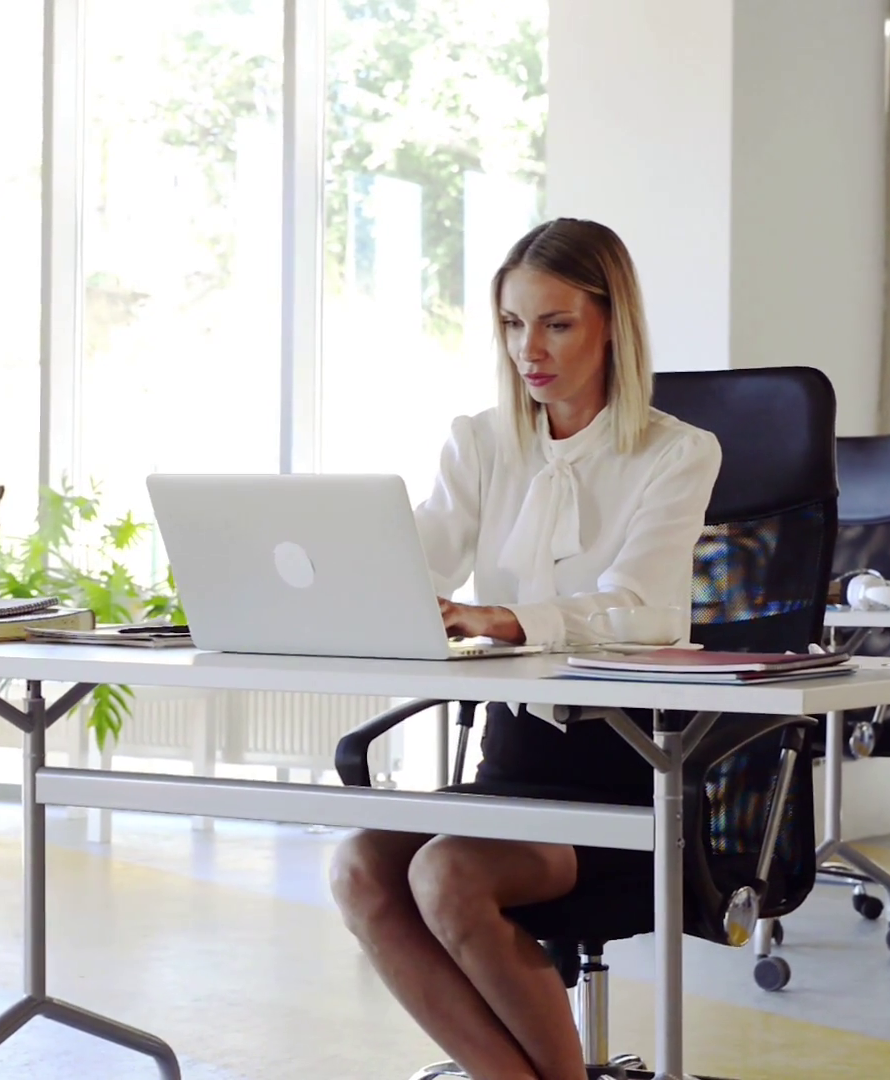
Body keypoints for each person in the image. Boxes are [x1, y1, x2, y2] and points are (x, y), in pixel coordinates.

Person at [328, 218, 722, 1080]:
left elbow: (641, 608)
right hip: (515, 760)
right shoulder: (481, 442)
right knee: (359, 865)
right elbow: (415, 561)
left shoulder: (678, 453)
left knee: (448, 876)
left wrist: (503, 618)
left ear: (612, 323)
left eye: (556, 323)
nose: (527, 350)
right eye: (511, 323)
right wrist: (327, 587)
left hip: (629, 769)